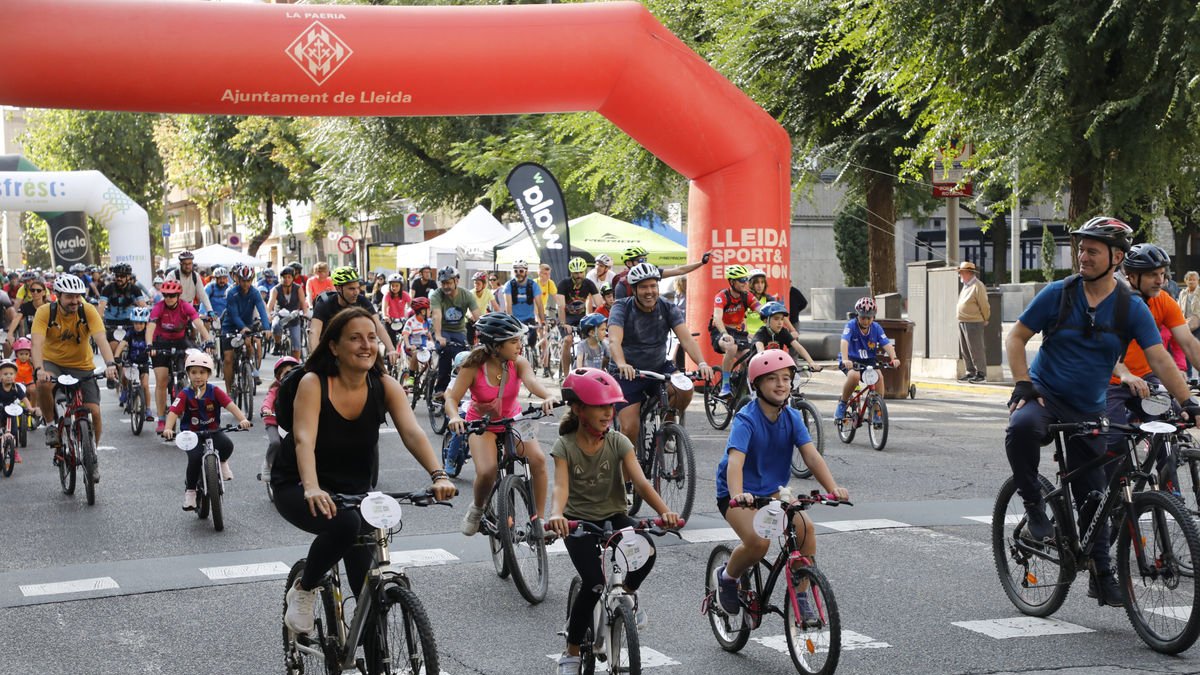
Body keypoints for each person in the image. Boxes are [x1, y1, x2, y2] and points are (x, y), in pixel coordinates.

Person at [1005, 217, 1200, 608]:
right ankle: (1032, 504)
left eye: (1092, 250)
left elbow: (1161, 358)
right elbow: (1016, 337)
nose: (1082, 256)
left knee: (1095, 496)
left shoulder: (1131, 308)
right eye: (1081, 248)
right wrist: (1023, 383)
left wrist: (1189, 403)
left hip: (1090, 406)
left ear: (1116, 257)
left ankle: (1102, 573)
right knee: (1021, 427)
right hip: (1046, 392)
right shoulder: (1059, 293)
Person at [274, 307, 455, 635]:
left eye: (372, 337)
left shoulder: (384, 385)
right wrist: (312, 487)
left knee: (368, 591)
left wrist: (438, 475)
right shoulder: (314, 383)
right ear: (334, 346)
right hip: (299, 482)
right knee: (345, 524)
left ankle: (365, 653)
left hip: (356, 489)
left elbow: (413, 433)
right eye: (355, 338)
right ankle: (304, 588)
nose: (366, 345)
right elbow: (303, 438)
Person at [548, 367, 680, 675]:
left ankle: (629, 595)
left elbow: (643, 483)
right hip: (576, 521)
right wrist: (556, 514)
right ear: (579, 409)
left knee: (646, 551)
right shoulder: (565, 446)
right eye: (600, 407)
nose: (609, 413)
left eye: (612, 406)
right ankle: (570, 652)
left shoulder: (619, 441)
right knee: (593, 584)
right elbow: (561, 488)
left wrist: (664, 512)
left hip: (614, 515)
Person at [711, 349, 849, 616]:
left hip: (774, 491)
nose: (781, 384)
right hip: (737, 493)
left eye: (786, 378)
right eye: (772, 378)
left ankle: (801, 597)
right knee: (759, 542)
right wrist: (738, 495)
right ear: (757, 384)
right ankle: (727, 577)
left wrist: (832, 489)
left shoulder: (792, 417)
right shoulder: (746, 419)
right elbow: (735, 463)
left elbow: (811, 455)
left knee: (806, 532)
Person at [446, 312, 558, 535]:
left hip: (513, 420)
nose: (520, 346)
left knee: (537, 459)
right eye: (514, 341)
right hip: (482, 424)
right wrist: (455, 417)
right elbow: (452, 397)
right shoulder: (473, 366)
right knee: (487, 471)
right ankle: (477, 509)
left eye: (519, 340)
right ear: (496, 345)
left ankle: (540, 522)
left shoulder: (519, 362)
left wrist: (547, 396)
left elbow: (532, 383)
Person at [608, 263, 713, 450]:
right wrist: (622, 364)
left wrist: (702, 363)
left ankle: (666, 430)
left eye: (653, 286)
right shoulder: (621, 307)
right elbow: (615, 340)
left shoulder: (667, 307)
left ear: (658, 287)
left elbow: (687, 340)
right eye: (643, 287)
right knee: (630, 429)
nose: (649, 292)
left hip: (658, 367)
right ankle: (628, 478)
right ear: (633, 290)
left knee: (685, 388)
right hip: (628, 372)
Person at [1108, 244, 1200, 442]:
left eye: (1162, 273)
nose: (1161, 281)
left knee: (1171, 428)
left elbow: (1189, 344)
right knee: (1114, 442)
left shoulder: (1164, 301)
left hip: (1145, 380)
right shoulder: (1111, 302)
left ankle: (1167, 471)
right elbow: (1103, 349)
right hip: (1109, 382)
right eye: (1152, 275)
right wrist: (1125, 374)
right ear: (1131, 276)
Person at [32, 274, 119, 456]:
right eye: (70, 296)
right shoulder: (45, 312)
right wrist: (39, 368)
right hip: (52, 362)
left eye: (78, 296)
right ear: (58, 295)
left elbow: (101, 339)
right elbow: (37, 343)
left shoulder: (87, 310)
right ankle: (50, 425)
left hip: (82, 365)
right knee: (42, 384)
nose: (75, 300)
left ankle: (92, 452)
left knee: (94, 411)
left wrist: (110, 364)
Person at [162, 351, 253, 510]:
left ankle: (223, 462)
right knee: (195, 459)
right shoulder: (185, 393)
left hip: (213, 430)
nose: (198, 376)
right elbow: (173, 412)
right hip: (192, 434)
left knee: (227, 446)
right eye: (194, 372)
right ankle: (190, 492)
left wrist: (242, 419)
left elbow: (230, 405)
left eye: (202, 372)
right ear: (188, 374)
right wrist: (168, 428)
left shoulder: (214, 391)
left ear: (209, 374)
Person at [148, 279, 214, 434]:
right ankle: (162, 418)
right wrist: (149, 345)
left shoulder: (185, 306)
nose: (169, 298)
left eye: (172, 295)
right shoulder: (158, 307)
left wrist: (208, 340)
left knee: (195, 360)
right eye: (166, 295)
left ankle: (191, 397)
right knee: (162, 380)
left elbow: (198, 323)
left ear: (178, 295)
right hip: (160, 342)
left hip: (180, 341)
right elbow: (150, 327)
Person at [308, 266, 399, 364]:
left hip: (357, 351)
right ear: (338, 288)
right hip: (330, 352)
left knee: (381, 375)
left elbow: (378, 326)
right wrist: (315, 357)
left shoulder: (363, 302)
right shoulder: (324, 304)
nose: (356, 292)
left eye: (357, 288)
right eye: (351, 289)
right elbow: (314, 331)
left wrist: (391, 349)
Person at [834, 297, 899, 421]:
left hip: (868, 360)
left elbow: (886, 344)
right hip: (851, 359)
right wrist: (846, 359)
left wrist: (894, 358)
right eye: (863, 317)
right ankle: (842, 403)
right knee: (854, 377)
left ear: (873, 317)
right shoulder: (851, 325)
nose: (866, 321)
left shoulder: (876, 328)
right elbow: (844, 341)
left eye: (869, 318)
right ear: (857, 315)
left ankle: (876, 410)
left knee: (879, 377)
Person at [710, 265, 760, 399]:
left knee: (749, 358)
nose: (746, 282)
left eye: (746, 279)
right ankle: (725, 385)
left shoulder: (747, 296)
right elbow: (717, 318)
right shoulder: (722, 296)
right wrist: (724, 333)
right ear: (732, 282)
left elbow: (760, 309)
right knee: (731, 347)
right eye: (742, 280)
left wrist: (771, 315)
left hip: (738, 331)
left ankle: (739, 384)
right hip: (720, 330)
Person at [221, 263, 271, 386]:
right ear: (238, 279)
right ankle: (228, 391)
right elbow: (234, 315)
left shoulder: (255, 293)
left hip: (247, 325)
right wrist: (242, 327)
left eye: (248, 281)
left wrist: (267, 328)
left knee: (249, 344)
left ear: (252, 280)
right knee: (228, 359)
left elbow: (262, 311)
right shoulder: (232, 293)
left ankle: (248, 366)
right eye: (243, 280)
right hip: (230, 326)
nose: (245, 284)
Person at [555, 257, 602, 379]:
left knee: (591, 340)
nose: (578, 275)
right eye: (576, 273)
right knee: (568, 340)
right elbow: (560, 306)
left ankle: (590, 371)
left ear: (584, 272)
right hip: (565, 317)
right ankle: (566, 376)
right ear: (571, 272)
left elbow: (600, 304)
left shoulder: (589, 284)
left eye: (581, 272)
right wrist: (564, 323)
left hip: (581, 317)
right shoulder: (564, 284)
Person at [260, 356, 300, 496]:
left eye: (291, 372)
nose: (288, 376)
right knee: (276, 443)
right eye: (285, 374)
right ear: (278, 377)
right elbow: (268, 401)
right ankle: (268, 465)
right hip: (274, 423)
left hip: (291, 424)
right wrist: (266, 409)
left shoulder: (300, 389)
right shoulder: (275, 390)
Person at [611, 245, 710, 300]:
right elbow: (619, 308)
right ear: (629, 263)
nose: (644, 263)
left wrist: (701, 262)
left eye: (645, 259)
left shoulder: (652, 272)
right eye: (641, 260)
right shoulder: (622, 282)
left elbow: (680, 270)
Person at [752, 301, 822, 371]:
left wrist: (811, 363)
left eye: (782, 319)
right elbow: (760, 351)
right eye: (776, 319)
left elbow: (798, 347)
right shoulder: (761, 333)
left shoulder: (783, 332)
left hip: (775, 367)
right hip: (758, 368)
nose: (780, 323)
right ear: (765, 320)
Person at [97, 262, 148, 357]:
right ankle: (117, 369)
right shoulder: (107, 289)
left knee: (133, 351)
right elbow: (101, 307)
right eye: (117, 275)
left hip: (129, 323)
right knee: (114, 351)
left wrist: (149, 320)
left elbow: (143, 306)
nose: (119, 278)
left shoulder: (135, 289)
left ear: (128, 277)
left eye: (122, 276)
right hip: (111, 324)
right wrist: (98, 323)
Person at [113, 306, 154, 418]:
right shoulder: (130, 332)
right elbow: (122, 343)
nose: (138, 325)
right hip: (131, 361)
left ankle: (148, 409)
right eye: (136, 323)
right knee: (124, 376)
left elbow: (152, 346)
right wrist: (116, 356)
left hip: (143, 363)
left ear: (145, 323)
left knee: (145, 385)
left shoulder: (147, 333)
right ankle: (125, 390)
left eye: (141, 323)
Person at [499, 260, 544, 359]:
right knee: (514, 344)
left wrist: (542, 321)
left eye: (521, 271)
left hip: (529, 319)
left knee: (532, 341)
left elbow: (540, 304)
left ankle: (532, 358)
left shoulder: (533, 285)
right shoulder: (509, 285)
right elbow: (508, 306)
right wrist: (511, 321)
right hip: (515, 319)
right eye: (516, 271)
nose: (518, 273)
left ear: (526, 271)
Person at [956, 261, 991, 383]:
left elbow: (984, 305)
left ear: (968, 273)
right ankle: (970, 372)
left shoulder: (978, 286)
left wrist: (986, 318)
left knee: (975, 348)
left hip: (974, 321)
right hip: (963, 321)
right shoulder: (967, 285)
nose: (960, 274)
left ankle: (981, 373)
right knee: (965, 349)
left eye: (961, 272)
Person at [268, 265, 310, 360]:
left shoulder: (298, 288)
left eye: (289, 277)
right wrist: (269, 314)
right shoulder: (275, 289)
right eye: (284, 277)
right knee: (275, 326)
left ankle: (296, 364)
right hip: (280, 315)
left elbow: (303, 303)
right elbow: (270, 304)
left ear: (292, 278)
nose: (286, 279)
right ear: (280, 278)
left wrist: (305, 313)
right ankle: (277, 344)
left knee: (296, 342)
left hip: (294, 316)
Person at [0, 359, 32, 464]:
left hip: (11, 410)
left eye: (11, 374)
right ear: (0, 377)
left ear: (15, 376)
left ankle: (14, 451)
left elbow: (24, 399)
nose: (8, 376)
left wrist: (30, 408)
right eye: (5, 374)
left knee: (13, 431)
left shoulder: (16, 388)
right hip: (0, 410)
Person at [165, 250, 214, 316]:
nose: (188, 266)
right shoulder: (172, 275)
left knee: (198, 325)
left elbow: (202, 295)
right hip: (174, 308)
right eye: (185, 264)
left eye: (190, 263)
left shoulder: (195, 276)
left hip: (189, 307)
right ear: (180, 264)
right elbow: (166, 294)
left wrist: (210, 310)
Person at [400, 297, 432, 386]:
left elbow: (429, 334)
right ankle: (411, 378)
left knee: (434, 355)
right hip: (412, 346)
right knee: (415, 354)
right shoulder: (411, 322)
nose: (430, 311)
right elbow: (405, 335)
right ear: (423, 311)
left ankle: (428, 376)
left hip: (423, 346)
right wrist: (408, 345)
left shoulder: (427, 322)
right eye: (429, 309)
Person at [7, 278, 49, 343]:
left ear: (44, 293)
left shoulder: (50, 307)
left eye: (38, 290)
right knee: (7, 344)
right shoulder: (25, 306)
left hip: (48, 339)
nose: (35, 292)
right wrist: (10, 334)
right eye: (32, 290)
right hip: (31, 339)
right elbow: (16, 319)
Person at [742, 268, 776, 336]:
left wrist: (792, 330)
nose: (760, 285)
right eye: (756, 282)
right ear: (750, 284)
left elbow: (779, 314)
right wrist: (747, 334)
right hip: (748, 336)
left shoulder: (769, 299)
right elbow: (742, 320)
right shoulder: (744, 298)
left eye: (762, 282)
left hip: (764, 335)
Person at [11, 337, 37, 417]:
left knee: (34, 390)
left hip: (29, 383)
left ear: (30, 354)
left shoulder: (31, 362)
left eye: (26, 354)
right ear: (16, 354)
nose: (24, 356)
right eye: (21, 354)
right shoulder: (14, 363)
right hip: (17, 384)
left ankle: (33, 409)